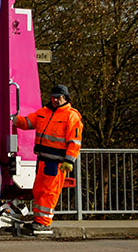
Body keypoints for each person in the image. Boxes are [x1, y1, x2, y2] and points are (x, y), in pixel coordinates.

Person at [12, 84, 84, 232]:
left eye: (58, 97)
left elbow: (74, 141)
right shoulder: (43, 112)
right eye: (53, 97)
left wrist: (69, 160)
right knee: (38, 190)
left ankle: (43, 222)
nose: (55, 100)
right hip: (43, 160)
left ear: (65, 98)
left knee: (49, 192)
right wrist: (12, 119)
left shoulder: (71, 116)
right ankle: (38, 220)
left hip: (57, 162)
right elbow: (27, 123)